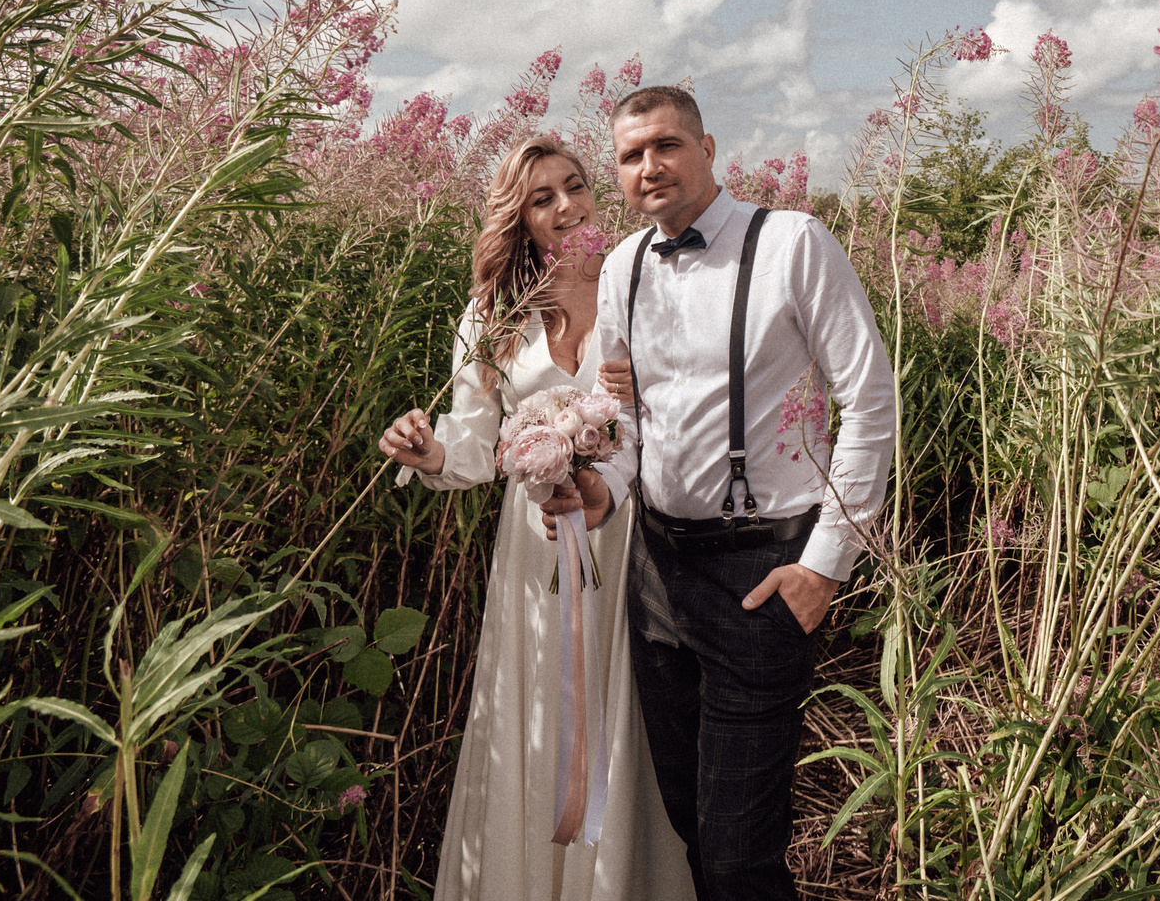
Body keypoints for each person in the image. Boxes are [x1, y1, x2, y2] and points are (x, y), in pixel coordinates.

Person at [564, 86, 897, 901]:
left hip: (763, 569)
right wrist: (601, 490)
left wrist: (824, 564)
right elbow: (625, 420)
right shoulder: (623, 266)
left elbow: (871, 398)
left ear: (708, 149)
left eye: (667, 145)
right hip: (657, 570)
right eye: (631, 155)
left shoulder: (792, 243)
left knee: (740, 851)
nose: (651, 167)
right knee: (687, 821)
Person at [377, 137, 694, 901]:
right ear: (518, 217)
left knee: (630, 725)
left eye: (576, 187)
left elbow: (694, 417)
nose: (567, 208)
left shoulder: (642, 283)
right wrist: (427, 454)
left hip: (631, 546)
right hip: (536, 552)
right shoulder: (492, 315)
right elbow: (475, 447)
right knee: (542, 721)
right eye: (542, 198)